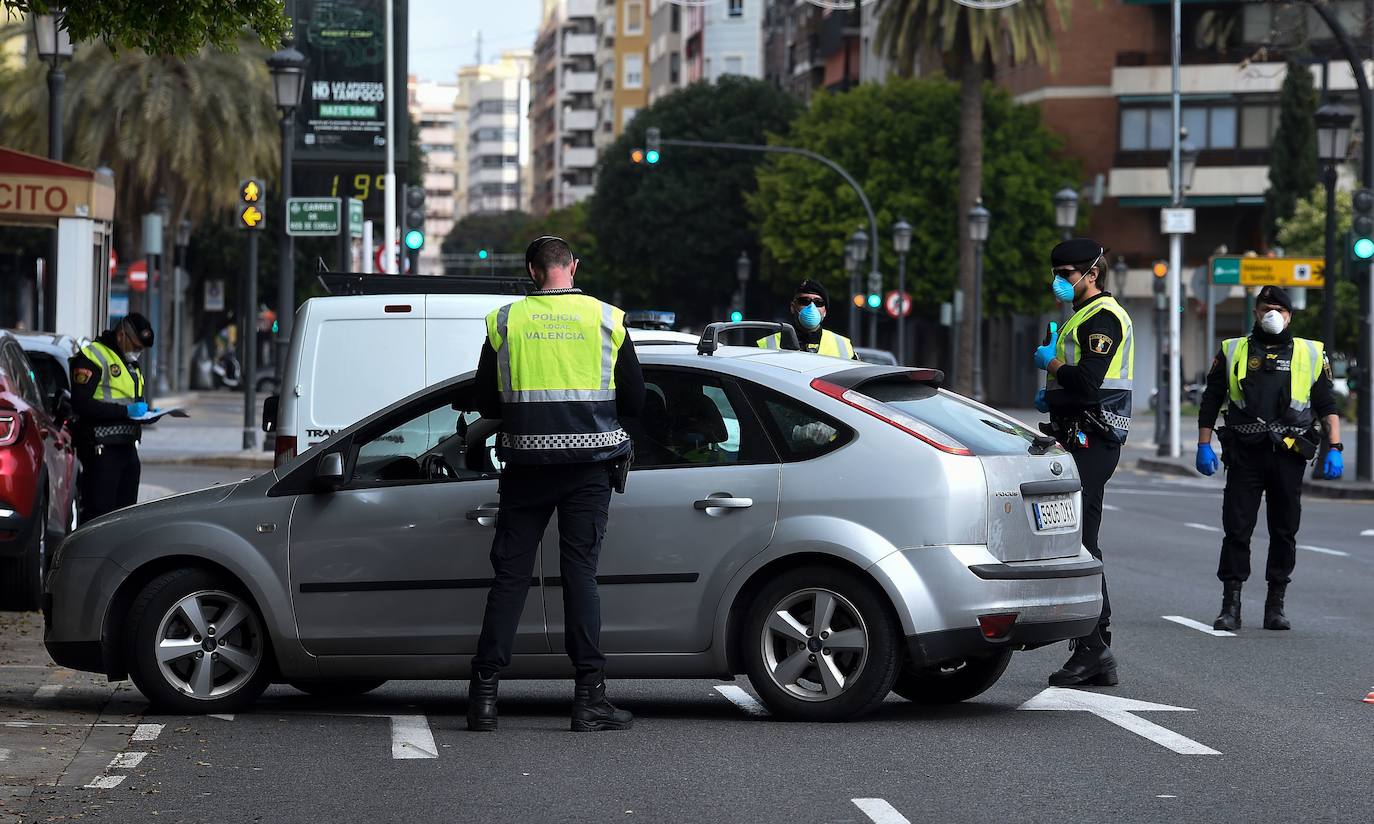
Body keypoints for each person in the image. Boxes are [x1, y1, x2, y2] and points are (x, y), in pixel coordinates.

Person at [467, 235, 645, 733]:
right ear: (573, 266)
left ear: (531, 271)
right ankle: (589, 698)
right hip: (589, 470)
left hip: (526, 467)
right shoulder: (607, 319)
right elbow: (636, 400)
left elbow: (486, 397)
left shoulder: (506, 321)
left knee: (510, 578)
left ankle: (483, 698)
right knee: (580, 578)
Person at [1195, 285, 1341, 631]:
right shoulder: (1234, 350)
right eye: (1265, 308)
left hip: (1289, 455)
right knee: (1237, 529)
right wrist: (1203, 444)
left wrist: (1335, 448)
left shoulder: (1310, 352)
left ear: (1291, 315)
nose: (1272, 315)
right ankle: (1231, 605)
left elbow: (1326, 405)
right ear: (1255, 313)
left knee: (1284, 530)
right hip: (1245, 454)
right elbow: (1211, 400)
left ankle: (1275, 605)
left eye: (1280, 309)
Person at [1033, 238, 1133, 687]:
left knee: (1080, 542)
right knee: (1079, 538)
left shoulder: (1104, 317)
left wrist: (1051, 366)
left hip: (1094, 438)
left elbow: (1089, 381)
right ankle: (1097, 646)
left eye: (1067, 272)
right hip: (1079, 435)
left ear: (1092, 273)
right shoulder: (1081, 316)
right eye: (1054, 272)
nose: (1059, 280)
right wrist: (1052, 397)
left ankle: (1093, 648)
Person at [69, 314, 155, 523]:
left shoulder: (130, 364)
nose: (137, 352)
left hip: (127, 448)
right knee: (99, 517)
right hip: (100, 450)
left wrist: (147, 414)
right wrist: (125, 412)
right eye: (135, 346)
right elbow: (81, 403)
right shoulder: (92, 357)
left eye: (141, 349)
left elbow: (129, 401)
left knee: (125, 518)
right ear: (121, 334)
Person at [757, 280, 858, 359]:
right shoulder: (767, 345)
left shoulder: (843, 346)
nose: (811, 307)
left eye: (818, 302)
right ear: (793, 307)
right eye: (804, 301)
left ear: (825, 311)